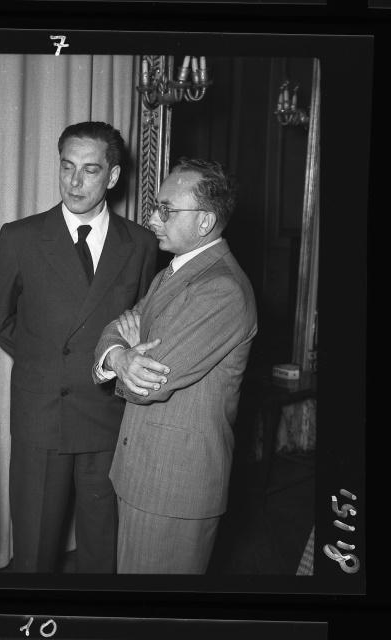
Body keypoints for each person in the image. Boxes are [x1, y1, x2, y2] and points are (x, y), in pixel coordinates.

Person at [0, 121, 158, 573]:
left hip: (108, 413)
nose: (75, 182)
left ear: (112, 177)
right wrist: (44, 360)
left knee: (103, 545)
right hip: (43, 413)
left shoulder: (139, 243)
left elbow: (142, 322)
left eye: (90, 170)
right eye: (67, 167)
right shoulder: (21, 237)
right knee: (35, 550)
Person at [93, 158, 257, 574]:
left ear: (205, 222)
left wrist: (129, 356)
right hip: (143, 473)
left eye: (166, 210)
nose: (152, 219)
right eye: (156, 206)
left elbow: (149, 381)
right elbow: (117, 326)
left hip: (174, 485)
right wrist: (118, 355)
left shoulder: (221, 288)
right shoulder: (173, 272)